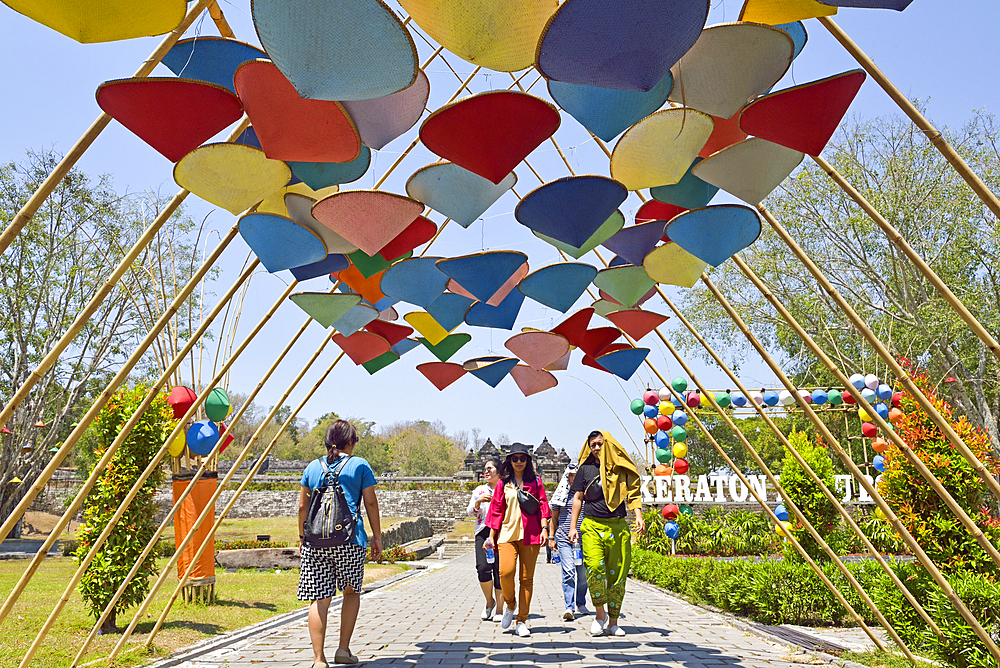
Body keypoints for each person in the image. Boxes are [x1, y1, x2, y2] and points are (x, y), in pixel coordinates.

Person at [298, 420, 383, 667]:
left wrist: (303, 538)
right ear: (350, 441)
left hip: (315, 542)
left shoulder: (313, 468)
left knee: (319, 598)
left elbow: (303, 507)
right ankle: (343, 650)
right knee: (351, 592)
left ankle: (318, 659)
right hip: (349, 540)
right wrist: (376, 537)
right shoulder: (359, 465)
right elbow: (370, 504)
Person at [568, 430, 645, 638]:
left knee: (617, 575)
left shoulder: (620, 468)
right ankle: (599, 615)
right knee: (593, 568)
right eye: (592, 444)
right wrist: (573, 527)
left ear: (607, 444)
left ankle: (613, 622)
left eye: (600, 444)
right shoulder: (585, 469)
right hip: (592, 526)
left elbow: (633, 492)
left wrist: (638, 515)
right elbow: (578, 498)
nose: (596, 448)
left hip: (618, 527)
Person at [484, 443, 551, 637]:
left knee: (526, 579)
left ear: (527, 460)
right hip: (506, 534)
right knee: (505, 572)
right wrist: (490, 537)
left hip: (531, 534)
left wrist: (545, 529)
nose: (519, 462)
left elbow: (543, 506)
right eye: (515, 459)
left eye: (522, 458)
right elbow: (496, 509)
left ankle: (522, 620)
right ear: (510, 461)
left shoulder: (535, 481)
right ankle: (510, 605)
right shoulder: (502, 483)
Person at [548, 462, 589, 620]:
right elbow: (554, 518)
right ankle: (569, 607)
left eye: (576, 475)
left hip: (583, 538)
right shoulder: (561, 494)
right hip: (564, 537)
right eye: (570, 475)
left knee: (583, 574)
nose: (573, 478)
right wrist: (552, 537)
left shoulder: (586, 494)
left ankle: (580, 602)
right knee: (568, 572)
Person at [467, 459, 502, 621]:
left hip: (502, 533)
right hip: (482, 531)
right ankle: (490, 602)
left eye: (490, 468)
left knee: (500, 570)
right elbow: (469, 512)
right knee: (482, 568)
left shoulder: (506, 488)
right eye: (485, 469)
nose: (486, 472)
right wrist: (478, 502)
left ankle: (500, 610)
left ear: (499, 470)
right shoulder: (480, 490)